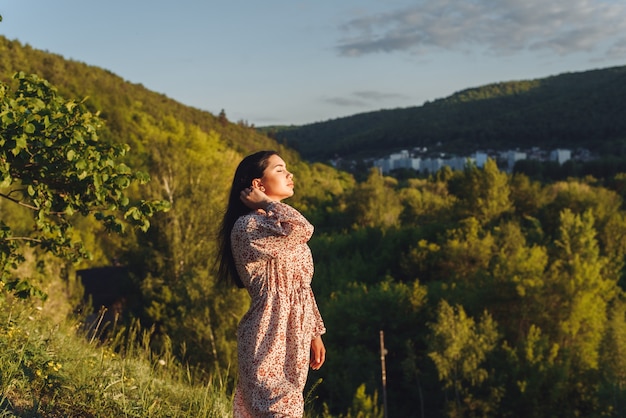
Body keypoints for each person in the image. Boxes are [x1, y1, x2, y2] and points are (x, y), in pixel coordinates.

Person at [217, 150, 326, 417]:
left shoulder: (272, 223)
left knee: (285, 409)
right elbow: (303, 229)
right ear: (257, 184)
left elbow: (301, 286)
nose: (290, 174)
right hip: (268, 334)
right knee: (280, 409)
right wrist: (266, 202)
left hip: (295, 335)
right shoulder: (248, 227)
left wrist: (314, 332)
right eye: (279, 169)